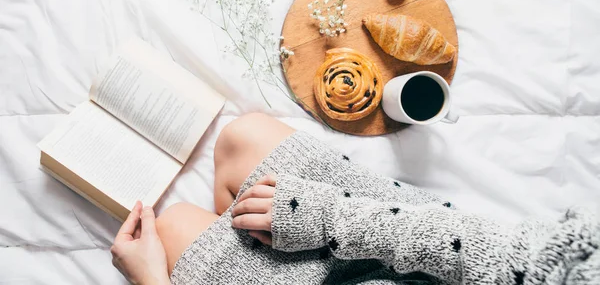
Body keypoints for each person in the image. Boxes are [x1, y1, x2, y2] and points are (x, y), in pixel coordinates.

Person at [111, 113, 599, 285]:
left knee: (172, 225)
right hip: (426, 269)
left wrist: (153, 282)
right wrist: (329, 218)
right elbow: (494, 254)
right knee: (244, 138)